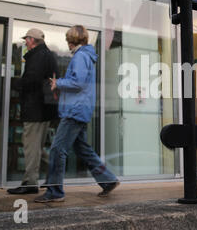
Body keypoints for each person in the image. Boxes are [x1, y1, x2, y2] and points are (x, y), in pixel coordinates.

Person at [35, 25, 119, 203]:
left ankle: (55, 192)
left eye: (68, 41)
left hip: (75, 110)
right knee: (83, 149)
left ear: (73, 40)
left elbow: (77, 83)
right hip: (80, 109)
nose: (67, 45)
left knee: (58, 149)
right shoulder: (86, 55)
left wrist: (58, 83)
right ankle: (108, 180)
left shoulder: (80, 56)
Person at [7, 28, 59, 195]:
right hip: (44, 109)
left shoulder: (37, 56)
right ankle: (56, 175)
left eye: (27, 40)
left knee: (31, 147)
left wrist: (13, 84)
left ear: (33, 40)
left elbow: (32, 80)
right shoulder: (47, 55)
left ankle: (30, 183)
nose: (25, 43)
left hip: (35, 109)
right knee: (37, 148)